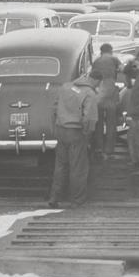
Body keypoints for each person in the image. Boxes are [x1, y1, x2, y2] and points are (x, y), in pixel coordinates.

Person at [47, 70, 103, 208]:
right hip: (76, 133)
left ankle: (54, 197)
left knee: (60, 166)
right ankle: (77, 200)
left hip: (61, 130)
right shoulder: (90, 94)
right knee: (78, 167)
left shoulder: (65, 87)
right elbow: (89, 119)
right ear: (97, 81)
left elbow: (54, 108)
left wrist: (55, 128)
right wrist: (87, 135)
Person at [91, 43, 121, 158]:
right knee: (111, 123)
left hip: (99, 94)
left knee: (98, 123)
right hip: (111, 94)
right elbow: (123, 69)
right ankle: (109, 149)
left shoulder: (96, 61)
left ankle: (99, 147)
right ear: (111, 50)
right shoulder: (114, 59)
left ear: (101, 51)